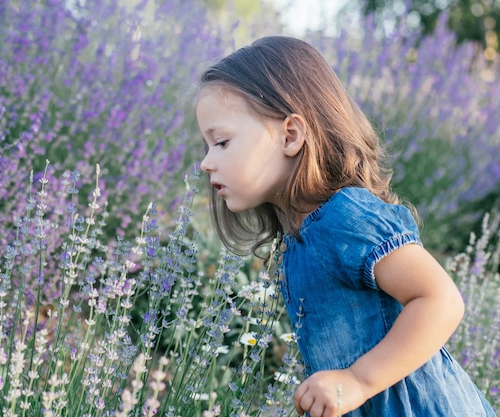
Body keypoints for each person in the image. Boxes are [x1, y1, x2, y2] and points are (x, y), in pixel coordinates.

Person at [194, 36, 496, 417]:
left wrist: (359, 380)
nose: (206, 162)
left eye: (220, 142)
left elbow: (440, 300)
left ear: (291, 136)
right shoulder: (301, 238)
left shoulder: (345, 217)